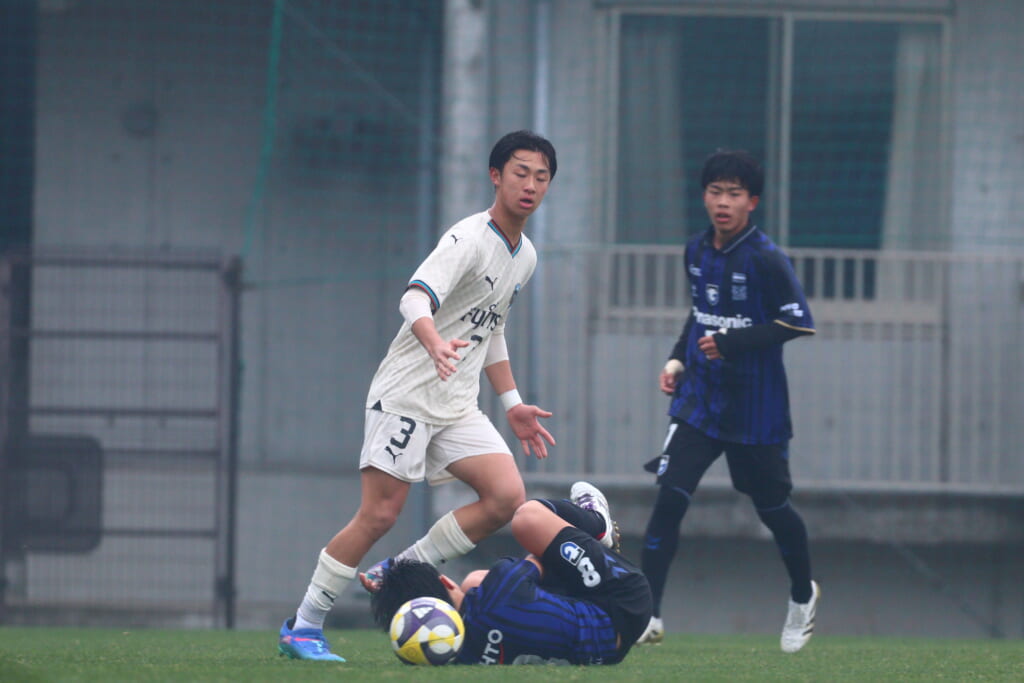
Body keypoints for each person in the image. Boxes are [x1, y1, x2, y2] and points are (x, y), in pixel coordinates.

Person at [278, 130, 560, 662]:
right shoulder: (467, 239)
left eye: (541, 177)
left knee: (505, 497)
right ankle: (304, 625)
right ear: (496, 176)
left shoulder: (524, 256)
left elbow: (491, 328)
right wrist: (434, 343)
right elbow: (413, 298)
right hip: (407, 394)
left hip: (456, 403)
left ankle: (402, 567)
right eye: (520, 172)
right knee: (379, 515)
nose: (530, 185)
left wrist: (513, 404)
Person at [635, 150, 820, 653]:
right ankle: (647, 614)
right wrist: (678, 358)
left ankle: (802, 595)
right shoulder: (695, 250)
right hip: (700, 401)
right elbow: (700, 314)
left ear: (752, 202)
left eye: (734, 193)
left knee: (772, 507)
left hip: (756, 408)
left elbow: (799, 321)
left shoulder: (766, 258)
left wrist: (732, 343)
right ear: (704, 196)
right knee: (670, 496)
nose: (723, 201)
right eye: (715, 192)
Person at [370, 482, 652, 665]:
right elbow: (542, 560)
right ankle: (598, 524)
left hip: (606, 653)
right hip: (624, 604)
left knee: (476, 582)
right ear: (444, 581)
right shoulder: (501, 588)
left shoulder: (457, 656)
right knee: (528, 518)